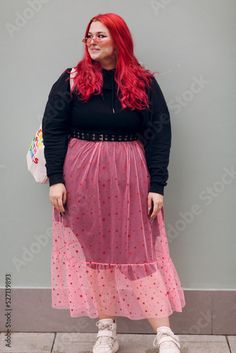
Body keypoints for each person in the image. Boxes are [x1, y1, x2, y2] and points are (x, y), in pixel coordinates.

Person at [42, 12, 186, 353]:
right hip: (81, 180)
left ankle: (164, 332)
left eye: (100, 36)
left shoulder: (143, 82)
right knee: (97, 256)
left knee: (140, 253)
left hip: (131, 178)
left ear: (119, 40)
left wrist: (158, 185)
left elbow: (160, 134)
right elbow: (54, 129)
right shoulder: (71, 80)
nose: (91, 42)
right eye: (88, 36)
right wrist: (57, 180)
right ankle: (106, 329)